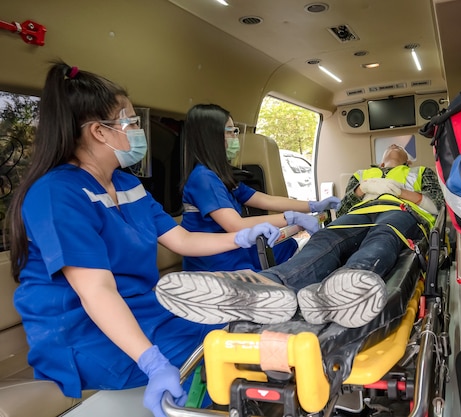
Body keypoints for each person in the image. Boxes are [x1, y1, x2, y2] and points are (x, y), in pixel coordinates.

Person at [7, 62, 282, 417]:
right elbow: (97, 292)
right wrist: (152, 362)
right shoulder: (57, 194)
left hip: (142, 309)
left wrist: (244, 236)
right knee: (216, 350)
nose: (139, 132)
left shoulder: (127, 185)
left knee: (235, 327)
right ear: (99, 132)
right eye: (132, 123)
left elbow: (182, 239)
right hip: (80, 332)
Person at [156, 144, 444, 328]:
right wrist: (359, 191)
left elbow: (436, 205)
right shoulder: (362, 175)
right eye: (389, 147)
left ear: (406, 158)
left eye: (399, 148)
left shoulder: (420, 172)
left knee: (383, 235)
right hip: (360, 213)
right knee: (324, 239)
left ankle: (350, 281)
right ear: (379, 160)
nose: (394, 146)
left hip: (401, 210)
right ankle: (272, 284)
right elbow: (343, 210)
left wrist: (394, 190)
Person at [180, 103, 340, 272]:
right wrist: (292, 218)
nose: (235, 137)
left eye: (235, 131)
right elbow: (236, 225)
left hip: (234, 255)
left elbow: (265, 200)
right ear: (211, 137)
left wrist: (313, 206)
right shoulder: (203, 178)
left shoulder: (221, 176)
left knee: (296, 248)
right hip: (216, 264)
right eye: (230, 131)